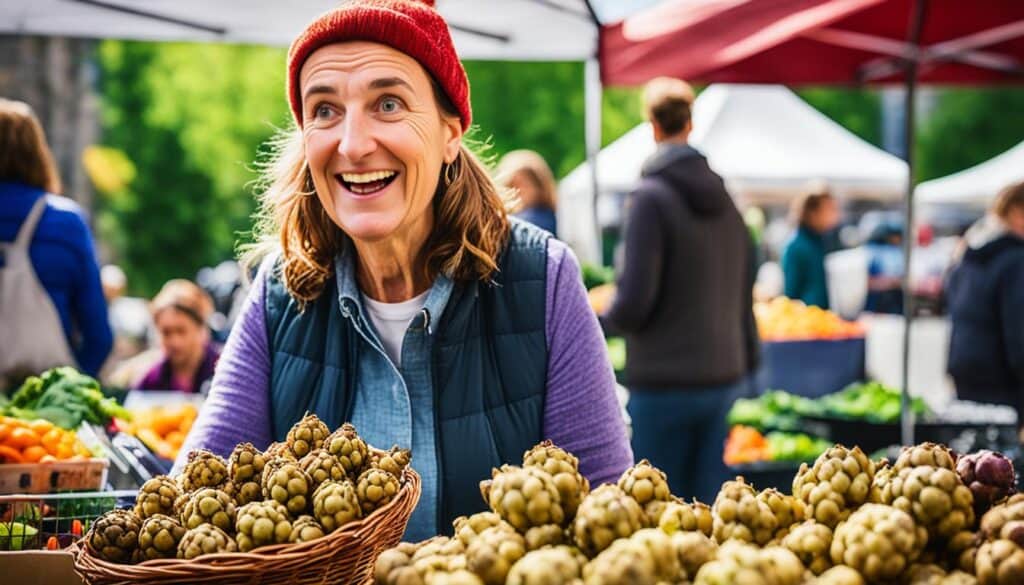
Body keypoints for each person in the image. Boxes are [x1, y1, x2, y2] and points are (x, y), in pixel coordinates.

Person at [174, 0, 632, 540]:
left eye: (388, 103)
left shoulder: (542, 279)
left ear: (450, 131)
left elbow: (608, 520)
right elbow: (191, 512)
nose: (353, 144)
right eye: (324, 110)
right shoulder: (278, 297)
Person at [599, 77, 758, 503]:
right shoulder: (729, 202)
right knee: (713, 515)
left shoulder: (649, 199)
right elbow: (747, 286)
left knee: (660, 517)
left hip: (665, 384)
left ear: (652, 126)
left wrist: (592, 322)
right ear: (691, 124)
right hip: (725, 376)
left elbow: (634, 302)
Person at [0, 98, 112, 385]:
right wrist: (68, 389)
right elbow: (98, 335)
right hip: (42, 410)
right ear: (37, 153)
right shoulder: (64, 223)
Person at [946, 181, 1024, 424]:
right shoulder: (1016, 260)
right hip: (1004, 386)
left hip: (966, 378)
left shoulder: (970, 252)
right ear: (1017, 212)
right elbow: (1020, 334)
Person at [133, 279, 220, 394]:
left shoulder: (222, 371)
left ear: (200, 328)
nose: (175, 342)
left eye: (181, 331)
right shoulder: (150, 381)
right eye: (166, 332)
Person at [782, 186, 840, 309]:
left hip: (824, 320)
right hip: (808, 322)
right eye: (829, 209)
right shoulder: (796, 246)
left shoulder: (823, 241)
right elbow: (790, 295)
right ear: (812, 213)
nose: (835, 214)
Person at [495, 149, 559, 237]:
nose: (515, 191)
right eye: (510, 186)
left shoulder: (539, 219)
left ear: (539, 187)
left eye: (521, 185)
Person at [864, 222, 904, 314]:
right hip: (875, 300)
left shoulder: (896, 251)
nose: (898, 239)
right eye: (895, 236)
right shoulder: (874, 250)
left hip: (893, 299)